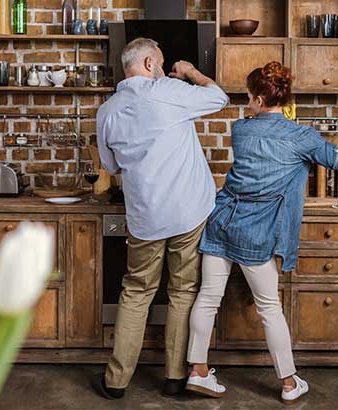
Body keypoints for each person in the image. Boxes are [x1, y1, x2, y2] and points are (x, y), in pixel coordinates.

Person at [184, 61, 338, 404]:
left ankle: (198, 372)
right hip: (257, 234)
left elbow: (270, 141)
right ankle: (289, 384)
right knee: (269, 308)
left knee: (208, 299)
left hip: (222, 221)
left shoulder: (241, 129)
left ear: (257, 98)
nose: (246, 102)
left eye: (249, 96)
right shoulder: (301, 137)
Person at [90, 37, 229, 399]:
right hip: (188, 212)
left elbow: (110, 166)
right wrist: (190, 71)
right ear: (151, 64)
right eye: (163, 63)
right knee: (182, 292)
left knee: (136, 293)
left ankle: (116, 381)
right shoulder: (169, 89)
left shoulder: (106, 112)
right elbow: (219, 98)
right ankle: (175, 376)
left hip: (145, 216)